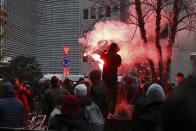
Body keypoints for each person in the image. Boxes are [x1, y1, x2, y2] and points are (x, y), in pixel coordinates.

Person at [100, 43, 122, 115]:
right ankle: (112, 111)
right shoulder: (118, 56)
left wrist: (105, 51)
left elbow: (101, 57)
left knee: (105, 93)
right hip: (113, 77)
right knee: (114, 94)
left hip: (105, 77)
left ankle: (105, 109)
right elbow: (119, 65)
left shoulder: (105, 55)